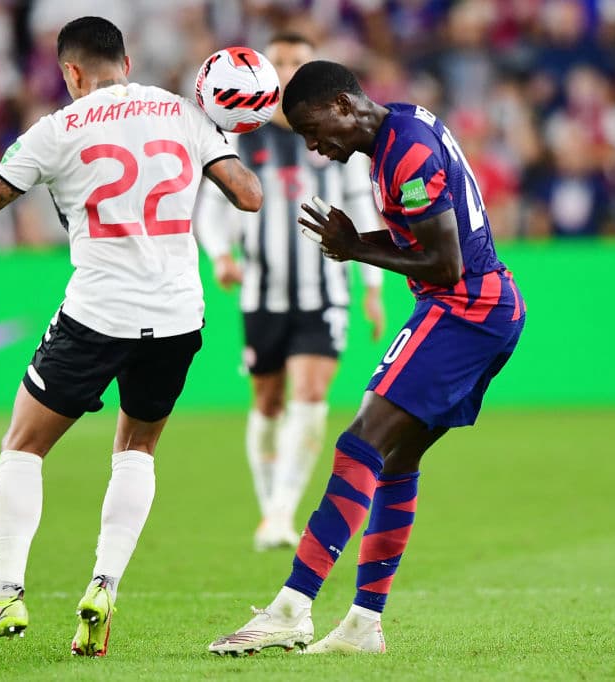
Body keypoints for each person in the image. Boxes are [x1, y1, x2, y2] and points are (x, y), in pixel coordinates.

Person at [0, 16, 261, 659]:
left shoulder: (53, 131)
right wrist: (228, 128)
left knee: (23, 444)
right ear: (126, 61)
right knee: (137, 448)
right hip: (179, 314)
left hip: (98, 314)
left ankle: (6, 594)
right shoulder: (181, 111)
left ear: (70, 72)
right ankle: (104, 585)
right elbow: (248, 195)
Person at [208, 60, 525, 655]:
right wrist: (358, 244)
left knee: (360, 442)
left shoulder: (405, 151)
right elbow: (426, 242)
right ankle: (362, 625)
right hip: (477, 310)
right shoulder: (396, 132)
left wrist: (357, 251)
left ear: (344, 105)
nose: (314, 145)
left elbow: (446, 262)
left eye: (313, 129)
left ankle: (292, 607)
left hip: (464, 309)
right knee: (396, 460)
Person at [195, 32, 384, 553]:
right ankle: (269, 509)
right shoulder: (241, 135)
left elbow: (362, 208)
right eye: (279, 61)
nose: (288, 68)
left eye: (298, 60)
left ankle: (281, 512)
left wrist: (371, 285)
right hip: (262, 291)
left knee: (311, 393)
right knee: (267, 400)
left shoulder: (338, 138)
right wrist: (222, 255)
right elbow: (212, 208)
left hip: (325, 290)